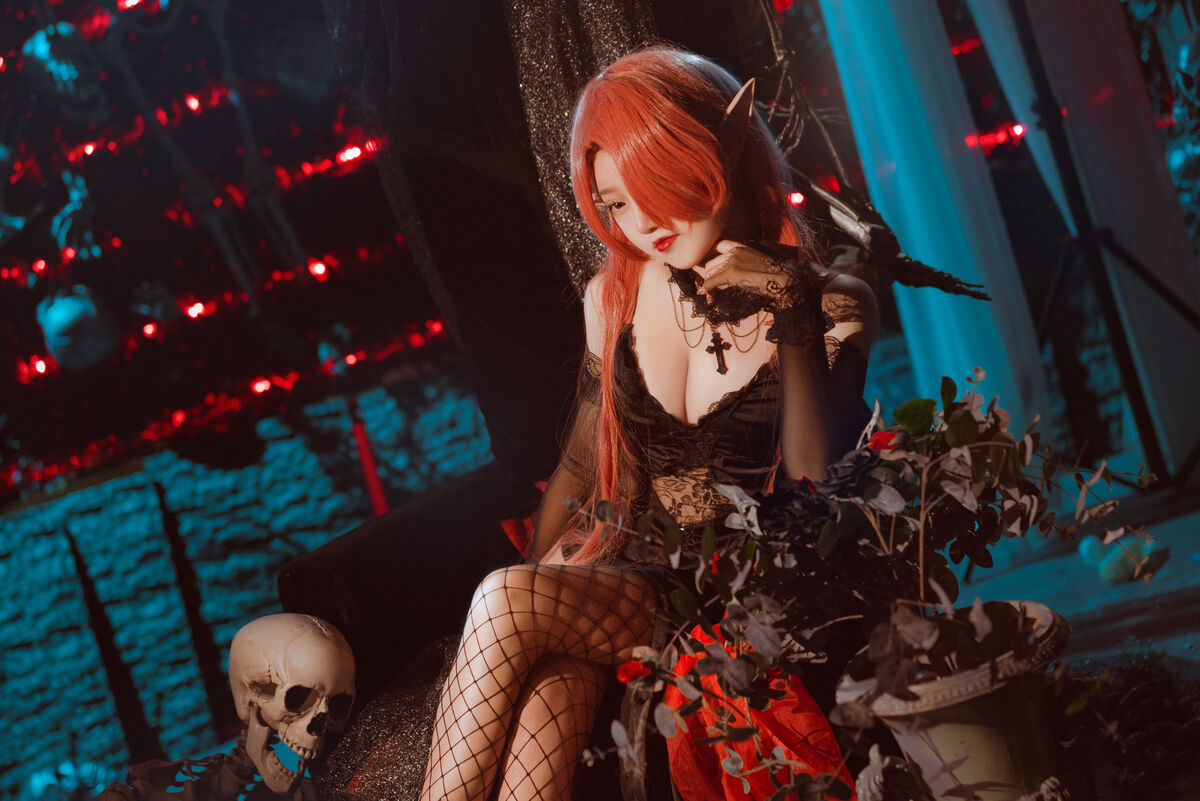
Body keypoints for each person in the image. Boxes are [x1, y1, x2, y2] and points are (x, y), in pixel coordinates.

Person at [417, 46, 876, 801]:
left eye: (657, 185)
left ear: (722, 152)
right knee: (545, 677)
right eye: (617, 204)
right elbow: (577, 465)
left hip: (738, 589)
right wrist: (541, 581)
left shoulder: (837, 302)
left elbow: (810, 476)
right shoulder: (615, 297)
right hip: (631, 573)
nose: (644, 223)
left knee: (505, 599)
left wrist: (790, 303)